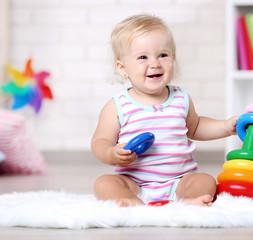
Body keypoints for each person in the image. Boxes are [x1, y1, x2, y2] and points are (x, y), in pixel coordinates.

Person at [91, 14, 238, 207]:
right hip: (134, 182)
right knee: (104, 183)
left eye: (163, 55)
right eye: (143, 57)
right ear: (122, 68)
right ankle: (130, 201)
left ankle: (188, 201)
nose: (155, 63)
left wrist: (227, 126)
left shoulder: (180, 98)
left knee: (205, 180)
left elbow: (197, 126)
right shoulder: (117, 106)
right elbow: (100, 141)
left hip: (180, 181)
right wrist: (111, 153)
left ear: (173, 59)